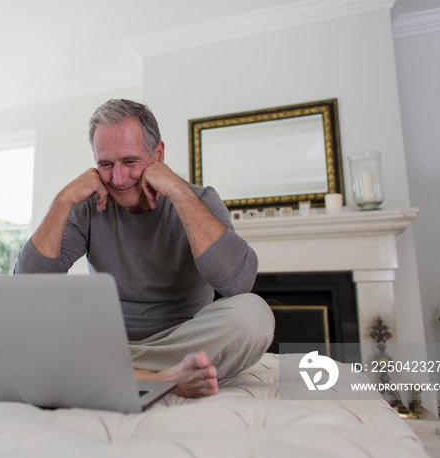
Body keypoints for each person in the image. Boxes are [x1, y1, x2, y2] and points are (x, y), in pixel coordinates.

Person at [14, 99, 274, 398]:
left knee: (254, 316)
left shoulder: (199, 199)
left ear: (158, 154)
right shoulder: (86, 206)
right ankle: (162, 378)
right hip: (107, 341)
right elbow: (27, 288)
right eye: (105, 164)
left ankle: (114, 373)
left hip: (183, 341)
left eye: (130, 161)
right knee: (22, 323)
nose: (118, 178)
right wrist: (62, 201)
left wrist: (178, 192)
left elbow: (238, 283)